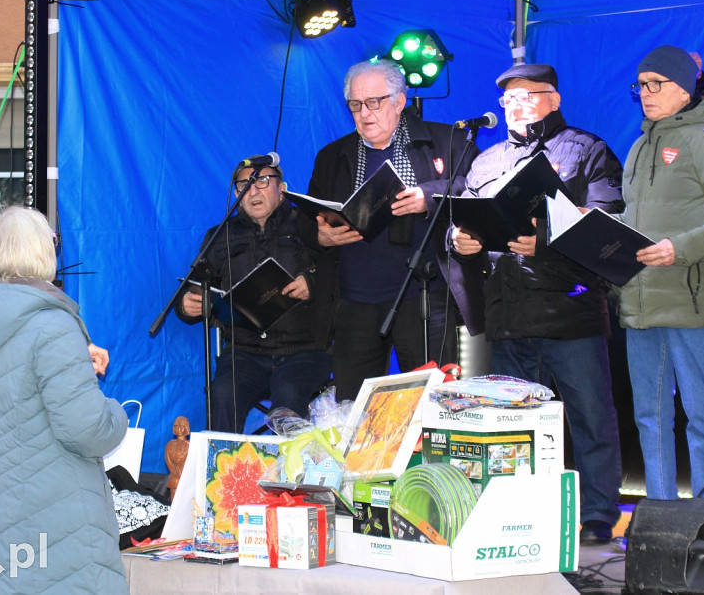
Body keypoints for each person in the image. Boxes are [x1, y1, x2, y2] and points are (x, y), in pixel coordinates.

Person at [449, 63, 625, 545]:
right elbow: (464, 213)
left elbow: (607, 220)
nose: (516, 105)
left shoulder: (586, 150)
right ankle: (522, 513)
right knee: (514, 425)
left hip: (571, 311)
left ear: (554, 98)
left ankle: (597, 514)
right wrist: (460, 239)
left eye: (528, 95)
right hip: (508, 313)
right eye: (508, 98)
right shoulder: (485, 160)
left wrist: (543, 240)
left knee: (589, 417)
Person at [0, 205, 129, 594]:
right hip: (52, 524)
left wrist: (75, 357)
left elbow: (14, 392)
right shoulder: (51, 324)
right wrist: (117, 413)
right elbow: (87, 429)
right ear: (41, 252)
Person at [620, 45, 704, 501]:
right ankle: (659, 518)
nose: (645, 93)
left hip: (691, 301)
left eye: (655, 84)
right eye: (640, 85)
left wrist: (680, 249)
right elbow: (639, 221)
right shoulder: (639, 146)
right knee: (649, 416)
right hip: (641, 301)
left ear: (683, 87)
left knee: (702, 415)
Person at [299, 59, 479, 401]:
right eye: (355, 105)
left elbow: (478, 189)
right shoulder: (332, 156)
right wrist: (320, 235)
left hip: (423, 296)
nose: (365, 113)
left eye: (374, 102)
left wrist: (428, 196)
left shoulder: (447, 141)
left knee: (433, 402)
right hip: (354, 302)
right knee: (353, 406)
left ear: (399, 101)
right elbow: (307, 222)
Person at [178, 159, 334, 432]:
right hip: (244, 353)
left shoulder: (309, 226)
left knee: (288, 395)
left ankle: (288, 473)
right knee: (223, 393)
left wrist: (313, 283)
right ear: (237, 195)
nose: (253, 191)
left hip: (305, 351)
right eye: (245, 185)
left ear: (282, 189)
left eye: (262, 181)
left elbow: (343, 275)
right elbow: (194, 288)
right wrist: (187, 305)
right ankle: (223, 470)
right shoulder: (220, 236)